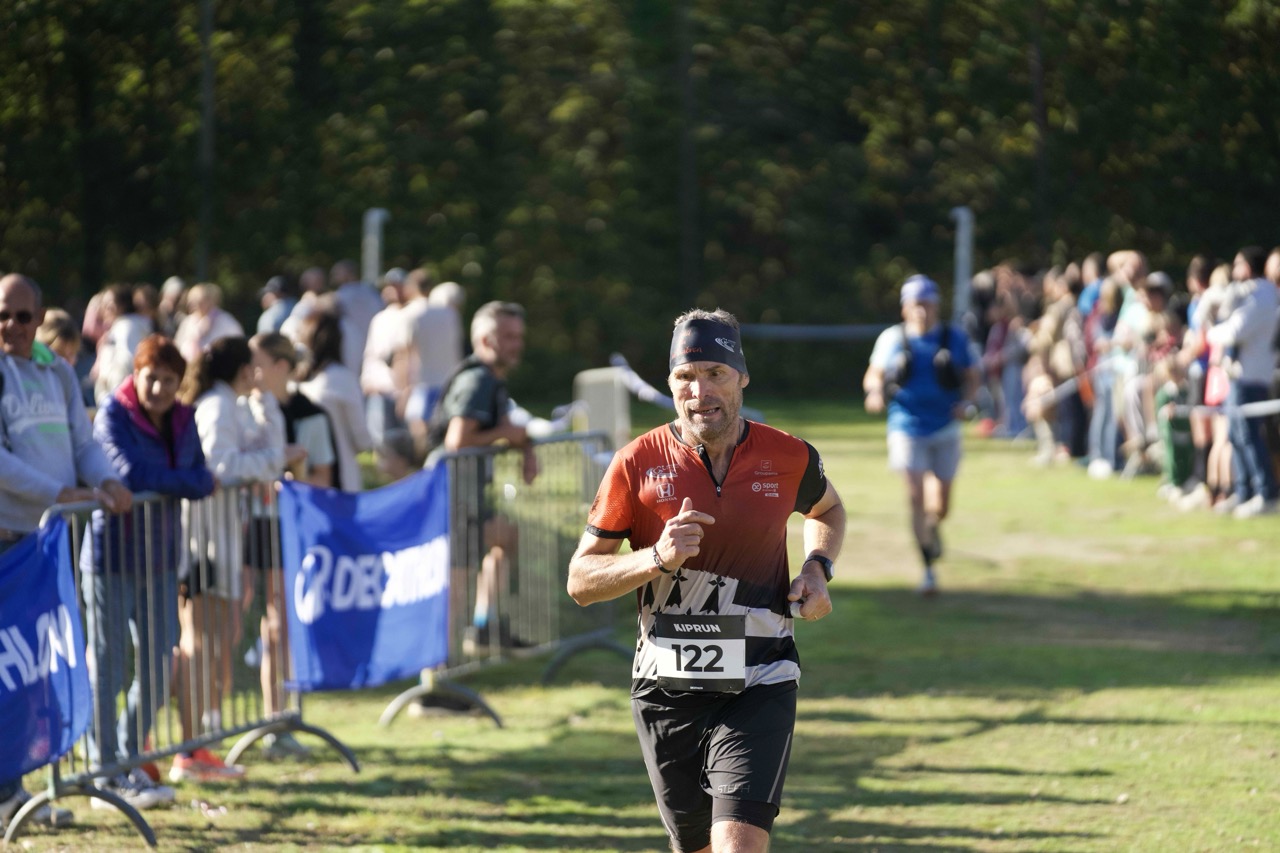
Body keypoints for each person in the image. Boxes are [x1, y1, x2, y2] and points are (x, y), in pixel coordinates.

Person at [566, 307, 845, 853]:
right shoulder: (636, 463)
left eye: (715, 373)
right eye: (685, 377)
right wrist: (656, 558)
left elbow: (827, 509)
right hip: (666, 688)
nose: (700, 391)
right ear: (670, 384)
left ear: (742, 377)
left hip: (762, 676)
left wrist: (817, 567)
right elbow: (580, 579)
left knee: (737, 844)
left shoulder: (788, 455)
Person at [0, 273, 133, 831]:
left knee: (33, 673)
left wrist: (107, 480)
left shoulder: (56, 370)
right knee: (8, 671)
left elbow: (83, 442)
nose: (10, 326)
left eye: (22, 316)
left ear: (39, 318)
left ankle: (17, 791)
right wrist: (58, 493)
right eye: (1, 315)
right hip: (7, 542)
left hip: (47, 544)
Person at [83, 335, 215, 810]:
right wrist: (183, 482)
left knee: (160, 665)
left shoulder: (183, 417)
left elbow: (203, 477)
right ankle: (102, 769)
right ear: (135, 375)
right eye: (150, 377)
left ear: (180, 383)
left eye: (168, 380)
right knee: (110, 666)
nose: (158, 388)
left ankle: (125, 756)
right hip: (113, 557)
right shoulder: (113, 415)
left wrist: (182, 482)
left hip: (160, 559)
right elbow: (127, 474)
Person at [171, 336, 291, 782]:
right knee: (199, 644)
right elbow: (219, 467)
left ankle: (197, 746)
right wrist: (274, 459)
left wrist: (268, 430)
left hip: (219, 541)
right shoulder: (217, 406)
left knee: (214, 643)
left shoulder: (229, 404)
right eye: (252, 367)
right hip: (203, 543)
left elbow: (251, 453)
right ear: (242, 370)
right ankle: (188, 751)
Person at [424, 300, 538, 651]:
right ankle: (437, 668)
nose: (517, 344)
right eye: (508, 336)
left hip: (467, 491)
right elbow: (457, 441)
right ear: (485, 340)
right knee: (456, 577)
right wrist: (507, 433)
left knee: (506, 537)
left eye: (519, 336)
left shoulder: (492, 380)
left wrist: (525, 447)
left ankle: (482, 628)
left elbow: (503, 429)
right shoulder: (477, 380)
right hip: (451, 489)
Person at [863, 274, 980, 596]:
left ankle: (932, 527)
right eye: (916, 304)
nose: (922, 311)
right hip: (906, 426)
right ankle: (928, 568)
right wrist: (875, 391)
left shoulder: (954, 337)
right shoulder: (892, 338)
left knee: (940, 506)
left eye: (927, 304)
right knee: (915, 496)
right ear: (905, 308)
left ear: (937, 306)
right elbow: (873, 374)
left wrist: (967, 402)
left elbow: (973, 376)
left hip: (945, 427)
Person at [248, 331, 333, 760]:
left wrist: (292, 480)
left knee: (278, 625)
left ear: (282, 367)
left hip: (289, 529)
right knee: (225, 623)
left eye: (257, 363)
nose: (250, 372)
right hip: (244, 524)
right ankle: (205, 729)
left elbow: (323, 477)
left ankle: (277, 720)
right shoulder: (243, 408)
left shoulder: (310, 414)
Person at [1208, 246, 1280, 517]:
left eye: (1238, 264)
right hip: (1240, 375)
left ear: (1248, 267)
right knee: (1236, 436)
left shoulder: (1261, 295)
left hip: (1251, 376)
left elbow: (1235, 331)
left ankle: (1264, 493)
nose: (1234, 270)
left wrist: (1212, 333)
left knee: (1249, 436)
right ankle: (1244, 492)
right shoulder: (1251, 293)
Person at [297, 310, 373, 492]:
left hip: (303, 478)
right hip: (340, 480)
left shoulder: (296, 383)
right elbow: (362, 439)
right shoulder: (342, 378)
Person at [173, 282, 244, 365]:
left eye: (199, 301)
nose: (194, 306)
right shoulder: (188, 322)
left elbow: (237, 344)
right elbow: (178, 345)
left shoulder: (225, 321)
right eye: (192, 302)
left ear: (210, 301)